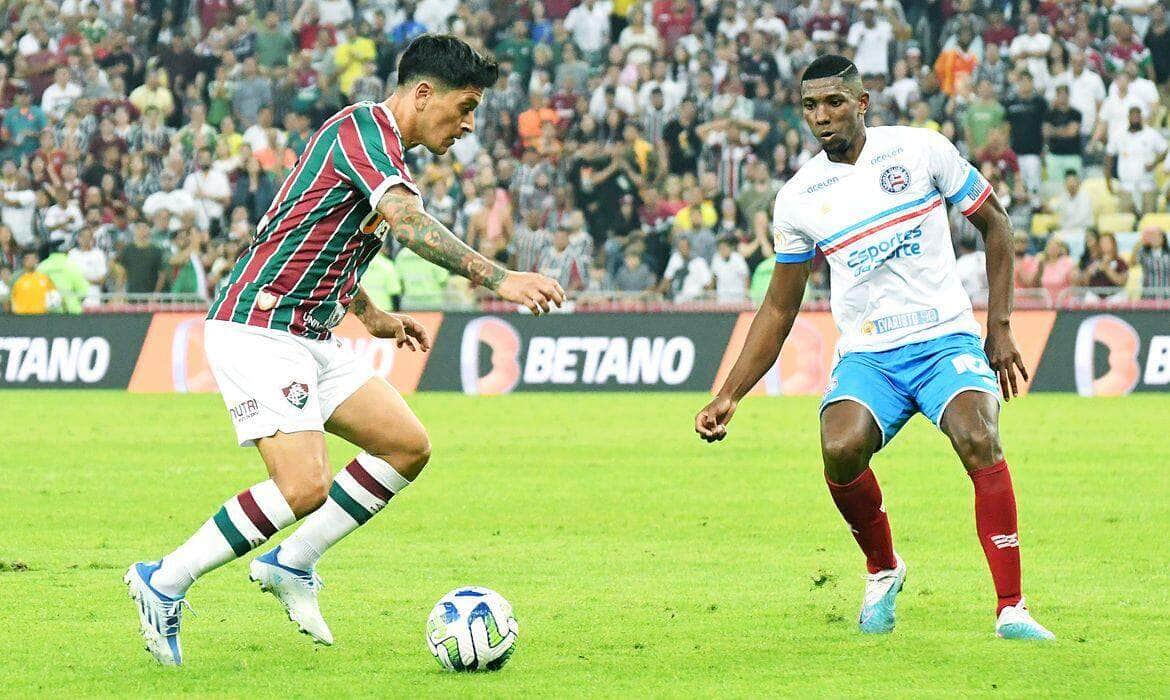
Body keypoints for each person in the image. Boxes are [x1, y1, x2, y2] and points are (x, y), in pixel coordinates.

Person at [125, 35, 565, 667]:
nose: (469, 124)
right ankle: (164, 580)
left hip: (309, 333)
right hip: (260, 326)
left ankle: (291, 561)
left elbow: (311, 235)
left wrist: (370, 314)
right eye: (465, 107)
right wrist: (501, 279)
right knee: (303, 485)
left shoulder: (381, 152)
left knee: (406, 446)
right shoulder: (363, 129)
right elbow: (408, 226)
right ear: (423, 94)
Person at [695, 56, 1053, 641]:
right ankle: (884, 568)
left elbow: (996, 224)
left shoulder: (920, 150)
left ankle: (1011, 607)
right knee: (840, 448)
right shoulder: (799, 197)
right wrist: (729, 393)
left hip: (943, 338)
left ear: (862, 103)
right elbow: (780, 308)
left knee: (978, 435)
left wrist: (1001, 325)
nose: (822, 116)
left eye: (834, 102)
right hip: (870, 355)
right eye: (811, 106)